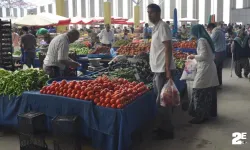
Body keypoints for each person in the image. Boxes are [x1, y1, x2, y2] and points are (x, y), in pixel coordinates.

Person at [147, 3, 176, 140]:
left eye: (151, 12)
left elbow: (168, 48)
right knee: (160, 101)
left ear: (158, 13)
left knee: (164, 102)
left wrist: (167, 70)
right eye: (148, 12)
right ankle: (162, 127)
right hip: (157, 69)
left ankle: (167, 130)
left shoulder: (163, 27)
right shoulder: (155, 28)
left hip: (162, 70)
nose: (149, 15)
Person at [188, 24, 219, 124]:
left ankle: (200, 116)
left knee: (198, 90)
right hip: (209, 67)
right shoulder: (206, 38)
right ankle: (207, 114)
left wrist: (193, 56)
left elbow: (204, 55)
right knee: (207, 91)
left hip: (205, 68)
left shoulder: (201, 40)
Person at [207, 23, 226, 87]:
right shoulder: (220, 31)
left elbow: (211, 41)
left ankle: (215, 84)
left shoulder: (216, 32)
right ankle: (219, 83)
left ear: (211, 28)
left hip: (218, 52)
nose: (209, 31)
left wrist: (209, 35)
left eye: (209, 29)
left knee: (215, 68)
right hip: (222, 52)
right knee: (219, 69)